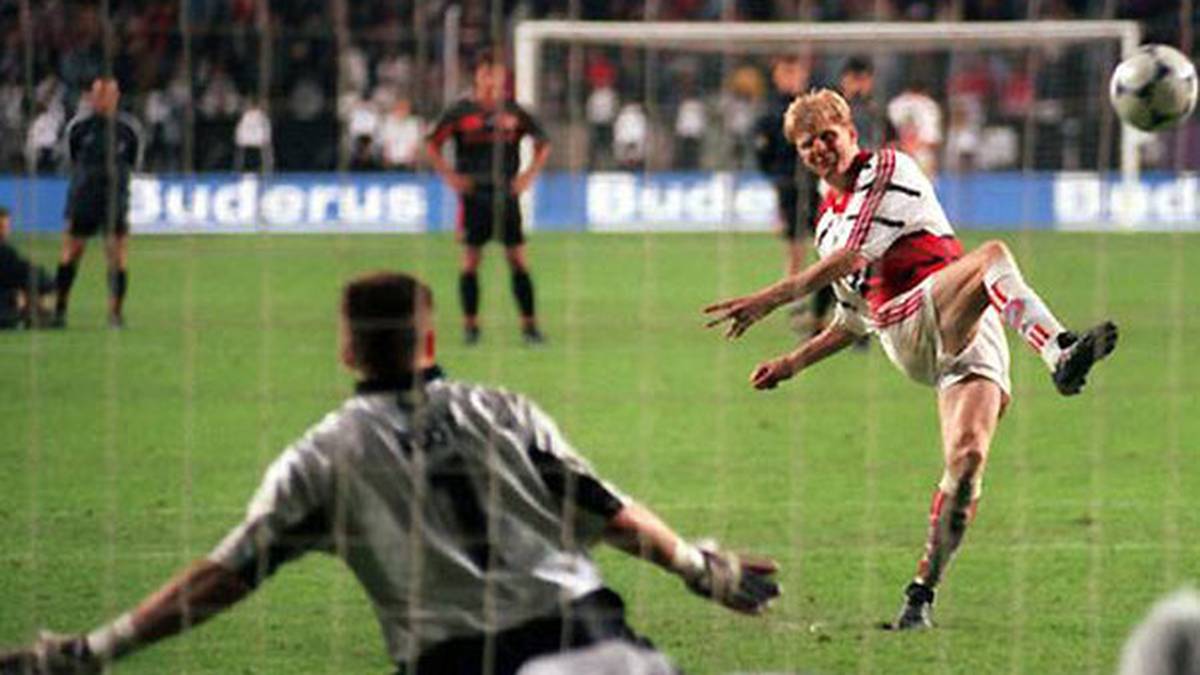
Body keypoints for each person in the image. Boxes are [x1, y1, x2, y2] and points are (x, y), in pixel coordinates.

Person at [0, 271, 780, 675]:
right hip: (606, 650)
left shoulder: (325, 456)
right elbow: (606, 511)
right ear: (430, 335)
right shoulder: (503, 410)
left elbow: (222, 577)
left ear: (347, 350)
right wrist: (697, 565)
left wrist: (93, 649)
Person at [703, 89, 1117, 630]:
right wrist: (793, 358)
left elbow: (850, 280)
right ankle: (1059, 350)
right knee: (991, 255)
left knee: (966, 463)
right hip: (907, 323)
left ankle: (920, 596)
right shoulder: (828, 224)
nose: (820, 150)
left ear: (851, 132)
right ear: (801, 155)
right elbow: (856, 315)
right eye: (808, 146)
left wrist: (776, 329)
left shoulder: (888, 169)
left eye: (828, 136)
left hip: (972, 328)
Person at [427, 50, 552, 346]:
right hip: (473, 194)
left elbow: (543, 143)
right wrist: (450, 177)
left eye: (497, 75)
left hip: (506, 193)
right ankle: (471, 328)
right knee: (470, 262)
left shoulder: (514, 112)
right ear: (477, 76)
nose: (491, 81)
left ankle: (530, 328)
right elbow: (432, 143)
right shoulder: (460, 112)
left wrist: (528, 176)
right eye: (486, 74)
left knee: (518, 260)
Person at [53, 77, 144, 328]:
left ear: (116, 97)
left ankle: (115, 314)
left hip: (115, 201)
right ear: (92, 97)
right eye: (98, 94)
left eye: (108, 94)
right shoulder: (79, 128)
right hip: (84, 199)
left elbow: (133, 162)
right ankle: (60, 309)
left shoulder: (128, 129)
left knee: (117, 257)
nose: (103, 99)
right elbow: (72, 160)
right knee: (71, 253)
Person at [753, 54, 833, 334]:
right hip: (789, 186)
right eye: (785, 72)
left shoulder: (817, 109)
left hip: (818, 185)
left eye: (795, 72)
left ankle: (826, 304)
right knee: (796, 248)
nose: (791, 78)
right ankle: (796, 306)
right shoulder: (770, 113)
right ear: (776, 76)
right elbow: (762, 155)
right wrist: (778, 180)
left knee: (828, 245)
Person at [0, 207, 56, 329]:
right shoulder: (5, 253)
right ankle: (32, 313)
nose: (6, 231)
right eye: (4, 227)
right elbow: (41, 279)